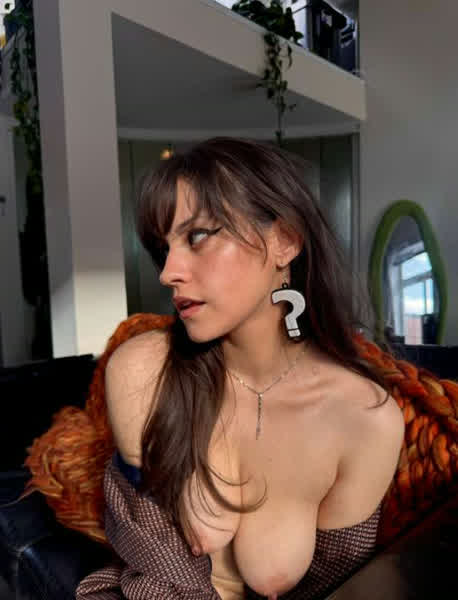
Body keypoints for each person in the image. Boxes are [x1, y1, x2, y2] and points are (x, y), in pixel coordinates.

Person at [84, 137, 404, 600]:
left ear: (284, 241)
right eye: (163, 247)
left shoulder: (366, 420)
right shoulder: (143, 370)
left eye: (198, 236)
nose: (168, 272)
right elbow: (156, 563)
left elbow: (337, 587)